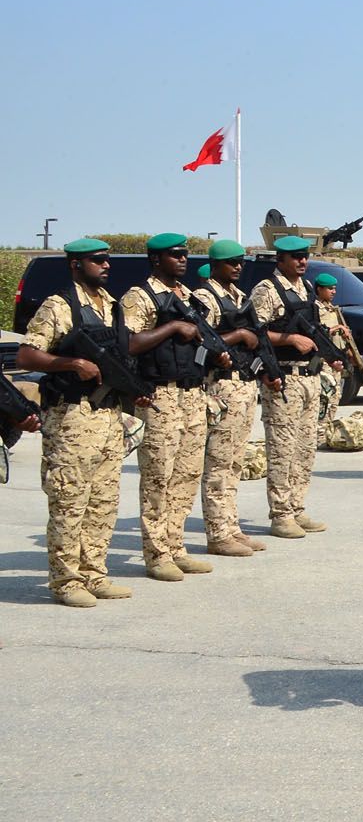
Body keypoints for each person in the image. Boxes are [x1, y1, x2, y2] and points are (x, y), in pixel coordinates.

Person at [17, 239, 149, 607]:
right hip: (72, 419)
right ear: (76, 265)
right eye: (97, 260)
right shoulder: (59, 306)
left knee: (103, 502)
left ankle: (94, 573)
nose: (106, 265)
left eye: (107, 260)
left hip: (107, 417)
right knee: (69, 501)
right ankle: (66, 581)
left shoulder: (111, 306)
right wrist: (71, 363)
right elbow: (26, 355)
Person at [122, 232, 229, 581]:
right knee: (158, 477)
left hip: (192, 394)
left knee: (186, 475)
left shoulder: (187, 296)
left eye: (184, 254)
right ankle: (157, 554)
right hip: (160, 396)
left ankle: (176, 546)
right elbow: (129, 344)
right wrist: (171, 327)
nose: (183, 259)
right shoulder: (141, 296)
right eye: (174, 254)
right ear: (156, 259)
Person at [250, 236, 340, 537]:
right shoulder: (267, 290)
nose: (302, 261)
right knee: (282, 449)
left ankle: (296, 507)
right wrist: (289, 339)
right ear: (281, 260)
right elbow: (254, 332)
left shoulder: (306, 288)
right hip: (284, 379)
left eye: (305, 256)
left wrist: (329, 355)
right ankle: (280, 514)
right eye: (296, 257)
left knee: (305, 448)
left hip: (310, 378)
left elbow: (314, 329)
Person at [195, 239, 279, 556]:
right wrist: (239, 336)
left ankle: (231, 527)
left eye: (241, 261)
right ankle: (218, 534)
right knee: (218, 464)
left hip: (243, 386)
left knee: (234, 463)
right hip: (221, 387)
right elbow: (200, 341)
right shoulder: (206, 296)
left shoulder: (239, 297)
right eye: (232, 262)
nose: (238, 267)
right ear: (215, 265)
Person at [313, 272, 353, 445]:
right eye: (330, 289)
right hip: (323, 361)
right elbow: (316, 332)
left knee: (335, 398)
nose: (333, 292)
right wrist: (336, 328)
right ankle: (318, 435)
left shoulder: (332, 309)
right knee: (324, 398)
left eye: (335, 288)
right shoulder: (315, 308)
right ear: (319, 289)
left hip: (337, 359)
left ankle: (327, 432)